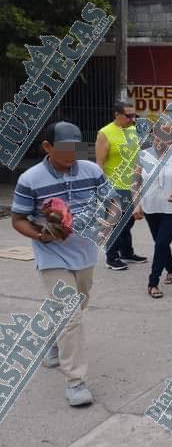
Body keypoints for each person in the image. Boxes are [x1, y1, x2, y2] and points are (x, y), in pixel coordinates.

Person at [11, 122, 106, 406]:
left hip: (85, 253)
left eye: (76, 147)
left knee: (79, 305)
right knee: (69, 315)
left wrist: (108, 221)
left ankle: (55, 342)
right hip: (51, 255)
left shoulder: (92, 171)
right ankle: (75, 382)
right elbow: (18, 219)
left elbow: (111, 202)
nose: (72, 153)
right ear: (47, 147)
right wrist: (42, 235)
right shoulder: (30, 179)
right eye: (65, 148)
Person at [133, 130, 172, 298]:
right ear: (152, 137)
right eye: (157, 136)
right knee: (161, 242)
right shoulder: (143, 155)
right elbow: (136, 182)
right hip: (150, 207)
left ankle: (153, 282)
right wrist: (136, 205)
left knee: (161, 243)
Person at [95, 100, 147, 270]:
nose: (132, 119)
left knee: (130, 220)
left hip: (132, 184)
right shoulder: (105, 133)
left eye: (134, 115)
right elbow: (100, 162)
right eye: (128, 116)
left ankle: (126, 252)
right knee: (117, 221)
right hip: (114, 184)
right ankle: (112, 257)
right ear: (117, 115)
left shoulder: (133, 130)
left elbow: (137, 156)